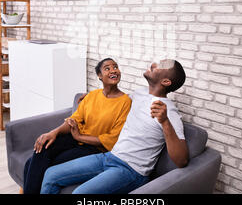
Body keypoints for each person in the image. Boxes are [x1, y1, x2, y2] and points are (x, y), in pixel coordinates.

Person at [40, 59, 188, 194]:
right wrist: (94, 96)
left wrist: (165, 122)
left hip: (131, 170)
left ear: (166, 81)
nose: (154, 64)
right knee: (51, 174)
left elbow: (182, 160)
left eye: (161, 66)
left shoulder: (170, 113)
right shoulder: (139, 93)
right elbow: (114, 99)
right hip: (109, 156)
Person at [22, 58, 131, 194]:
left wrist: (79, 136)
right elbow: (74, 120)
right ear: (99, 76)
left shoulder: (125, 102)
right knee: (43, 146)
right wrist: (53, 132)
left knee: (36, 164)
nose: (113, 70)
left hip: (94, 148)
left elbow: (112, 139)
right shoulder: (92, 95)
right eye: (107, 68)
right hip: (75, 138)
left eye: (115, 67)